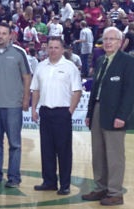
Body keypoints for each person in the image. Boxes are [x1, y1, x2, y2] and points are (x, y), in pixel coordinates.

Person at [82, 27, 134, 206]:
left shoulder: (128, 61)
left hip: (116, 114)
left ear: (120, 42)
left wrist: (122, 116)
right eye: (105, 39)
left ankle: (115, 192)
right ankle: (100, 188)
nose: (108, 42)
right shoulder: (101, 60)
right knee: (98, 153)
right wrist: (89, 113)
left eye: (112, 39)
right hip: (97, 110)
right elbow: (95, 89)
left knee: (114, 155)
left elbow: (130, 92)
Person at [0, 22, 32, 188]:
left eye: (4, 33)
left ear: (11, 35)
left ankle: (14, 177)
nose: (1, 36)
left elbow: (27, 77)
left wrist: (26, 99)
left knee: (14, 144)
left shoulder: (19, 53)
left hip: (13, 106)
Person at [31, 37, 82, 195]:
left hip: (62, 112)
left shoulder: (70, 67)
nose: (53, 50)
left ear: (62, 49)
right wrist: (34, 109)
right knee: (46, 149)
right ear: (47, 49)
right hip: (45, 112)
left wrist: (70, 111)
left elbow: (77, 91)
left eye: (56, 47)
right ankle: (49, 182)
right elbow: (36, 90)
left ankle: (65, 184)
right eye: (50, 47)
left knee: (64, 150)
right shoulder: (41, 66)